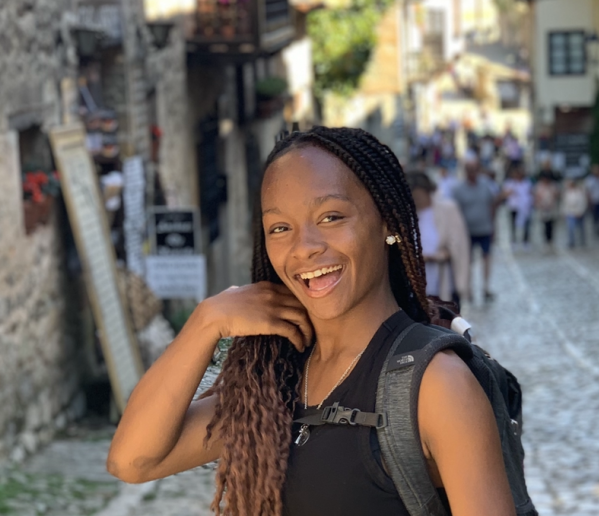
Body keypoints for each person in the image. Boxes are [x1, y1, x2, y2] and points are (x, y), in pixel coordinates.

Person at [106, 127, 516, 516]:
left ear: (387, 220)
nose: (304, 248)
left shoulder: (436, 384)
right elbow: (133, 460)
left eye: (331, 217)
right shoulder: (276, 377)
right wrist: (205, 321)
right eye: (280, 227)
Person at [406, 171, 471, 310]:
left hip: (443, 281)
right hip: (416, 285)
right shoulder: (407, 216)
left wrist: (438, 256)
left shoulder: (448, 210)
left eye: (418, 195)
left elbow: (459, 245)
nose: (416, 200)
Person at [452, 159, 498, 302]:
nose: (472, 173)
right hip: (467, 232)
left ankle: (486, 287)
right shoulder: (458, 189)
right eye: (469, 170)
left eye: (475, 170)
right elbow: (455, 212)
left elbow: (492, 205)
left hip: (484, 228)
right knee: (468, 261)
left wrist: (493, 225)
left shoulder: (485, 185)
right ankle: (469, 289)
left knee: (486, 258)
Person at [501, 165, 533, 250]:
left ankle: (525, 241)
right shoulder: (509, 183)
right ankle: (513, 241)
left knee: (526, 225)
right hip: (513, 207)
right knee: (512, 225)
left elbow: (530, 193)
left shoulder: (526, 183)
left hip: (524, 207)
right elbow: (504, 194)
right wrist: (510, 192)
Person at [533, 172, 561, 251]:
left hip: (552, 208)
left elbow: (557, 195)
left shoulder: (553, 185)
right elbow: (537, 196)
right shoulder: (539, 186)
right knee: (545, 225)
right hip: (542, 208)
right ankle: (546, 241)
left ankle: (551, 240)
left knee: (551, 225)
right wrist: (541, 204)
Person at [562, 177, 589, 249]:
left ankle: (582, 241)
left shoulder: (579, 192)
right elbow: (565, 203)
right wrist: (564, 212)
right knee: (570, 229)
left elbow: (583, 202)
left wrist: (581, 211)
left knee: (581, 229)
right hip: (570, 212)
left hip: (579, 212)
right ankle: (571, 242)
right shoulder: (567, 193)